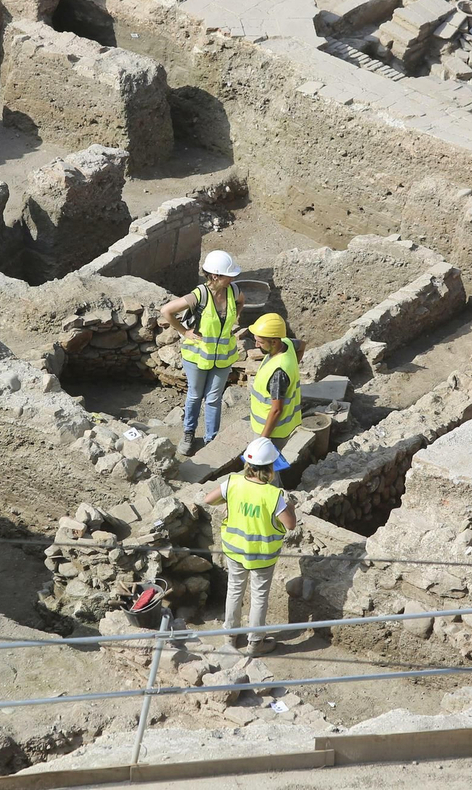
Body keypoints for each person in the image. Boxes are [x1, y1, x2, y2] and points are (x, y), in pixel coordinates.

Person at [203, 437, 298, 654]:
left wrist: (229, 503)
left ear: (248, 464)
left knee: (234, 590)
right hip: (262, 555)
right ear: (271, 468)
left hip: (234, 550)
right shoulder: (273, 495)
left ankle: (230, 637)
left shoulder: (233, 482)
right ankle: (255, 643)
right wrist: (290, 507)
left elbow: (208, 499)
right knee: (259, 596)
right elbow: (290, 524)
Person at [161, 251, 244, 456]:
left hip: (223, 356)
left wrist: (234, 318)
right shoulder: (199, 295)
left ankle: (211, 440)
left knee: (214, 399)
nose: (232, 278)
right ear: (215, 276)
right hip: (197, 357)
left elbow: (241, 301)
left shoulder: (233, 290)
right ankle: (188, 434)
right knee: (195, 396)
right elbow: (166, 311)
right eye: (228, 275)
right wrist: (184, 332)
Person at [248, 313, 304, 473]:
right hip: (276, 427)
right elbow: (302, 345)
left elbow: (277, 409)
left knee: (263, 470)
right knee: (269, 466)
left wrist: (263, 440)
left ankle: (274, 488)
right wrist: (294, 366)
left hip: (273, 431)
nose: (256, 345)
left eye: (260, 342)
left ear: (274, 341)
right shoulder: (287, 343)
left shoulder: (279, 372)